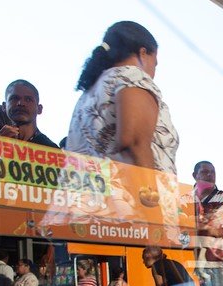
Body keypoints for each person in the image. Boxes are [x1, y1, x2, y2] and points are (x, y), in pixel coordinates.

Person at [66, 21, 177, 173]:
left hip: (84, 193)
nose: (154, 71)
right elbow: (134, 143)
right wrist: (149, 193)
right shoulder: (133, 76)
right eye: (155, 63)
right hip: (127, 194)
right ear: (143, 53)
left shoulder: (89, 93)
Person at [0, 79, 59, 147]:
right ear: (4, 106)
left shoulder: (51, 150)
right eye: (14, 98)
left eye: (28, 99)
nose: (21, 103)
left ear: (39, 109)